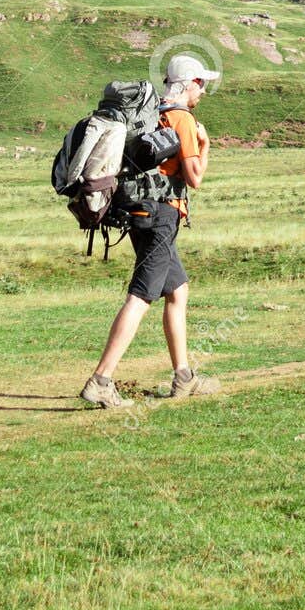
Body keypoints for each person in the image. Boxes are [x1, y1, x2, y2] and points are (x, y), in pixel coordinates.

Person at [80, 54, 221, 407]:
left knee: (178, 290)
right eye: (201, 84)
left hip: (137, 210)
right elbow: (195, 179)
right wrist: (205, 147)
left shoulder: (150, 113)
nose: (202, 91)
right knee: (142, 295)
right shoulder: (182, 119)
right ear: (190, 84)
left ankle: (184, 377)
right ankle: (101, 379)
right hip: (160, 216)